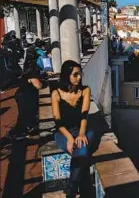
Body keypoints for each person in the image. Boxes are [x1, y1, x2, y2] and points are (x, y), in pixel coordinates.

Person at [51, 60, 94, 198]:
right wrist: (70, 138)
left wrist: (81, 134)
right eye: (75, 75)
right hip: (63, 132)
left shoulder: (85, 91)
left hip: (83, 129)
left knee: (81, 146)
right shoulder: (56, 94)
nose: (79, 77)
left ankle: (71, 190)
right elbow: (57, 121)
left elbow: (84, 115)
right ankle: (81, 189)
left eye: (80, 74)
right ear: (66, 76)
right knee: (80, 152)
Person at [8, 48, 43, 139]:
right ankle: (19, 133)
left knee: (25, 114)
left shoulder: (27, 65)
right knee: (25, 115)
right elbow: (38, 85)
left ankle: (24, 130)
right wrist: (43, 82)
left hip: (22, 94)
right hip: (25, 96)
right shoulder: (33, 67)